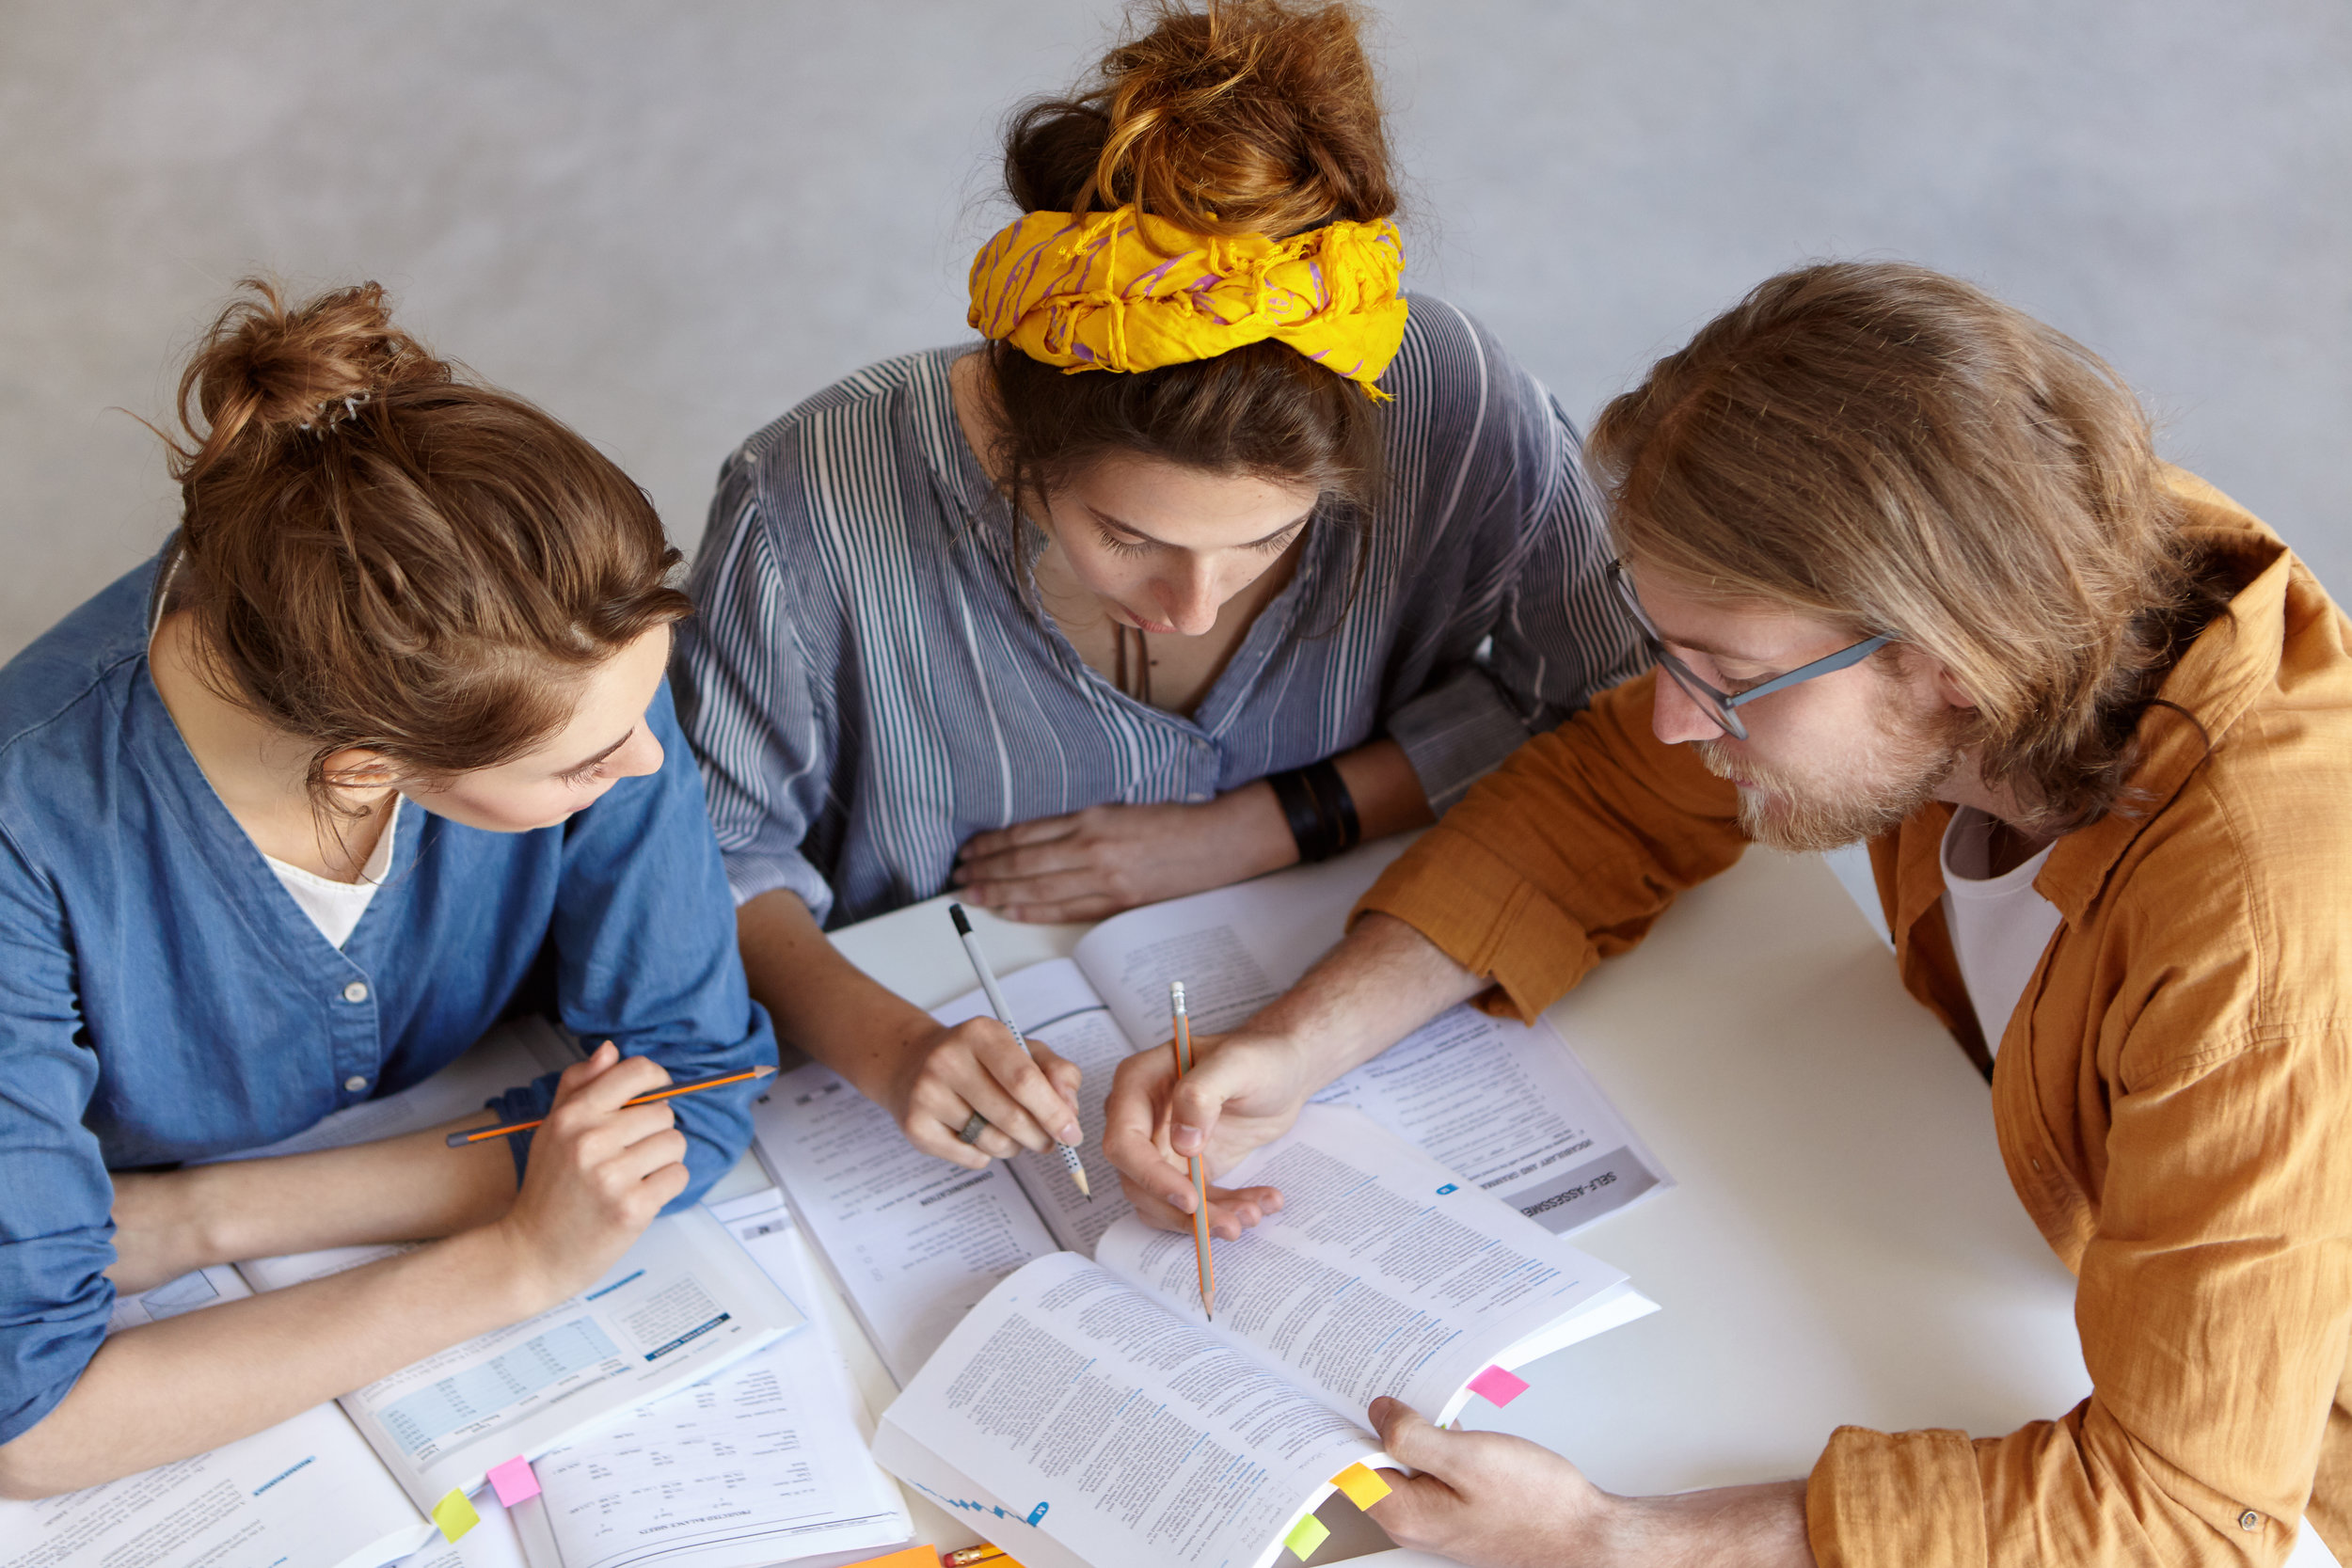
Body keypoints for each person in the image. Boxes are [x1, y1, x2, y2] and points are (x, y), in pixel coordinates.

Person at [1102, 261, 2352, 1565]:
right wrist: (1299, 1041)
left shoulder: (2264, 953)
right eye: (1669, 649)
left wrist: (1615, 1534)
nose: (1672, 718)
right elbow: (1607, 795)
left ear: (1947, 660)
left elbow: (2191, 1511)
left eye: (1732, 679)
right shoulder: (2024, 565)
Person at [674, 0, 1638, 1180]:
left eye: (1270, 540)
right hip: (910, 1045)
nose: (1192, 606)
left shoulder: (1449, 401)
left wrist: (1268, 825)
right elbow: (711, 856)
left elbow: (1613, 703)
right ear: (1017, 436)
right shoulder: (806, 495)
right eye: (1126, 535)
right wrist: (892, 1046)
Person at [0, 280, 776, 1498]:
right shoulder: (23, 841)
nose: (646, 766)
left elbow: (693, 1094)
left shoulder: (582, 673)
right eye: (582, 765)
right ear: (367, 771)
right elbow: (33, 1424)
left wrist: (199, 1218)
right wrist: (519, 1262)